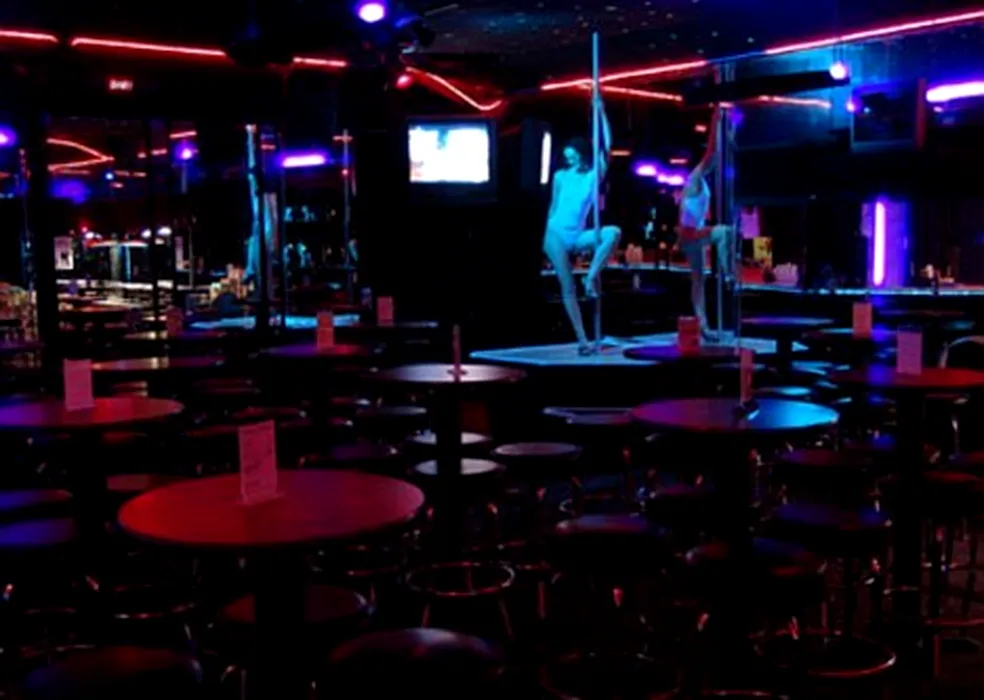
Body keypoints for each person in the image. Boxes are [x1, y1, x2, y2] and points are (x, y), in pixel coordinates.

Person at [543, 93, 621, 355]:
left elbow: (607, 146)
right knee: (567, 286)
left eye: (574, 156)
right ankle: (582, 340)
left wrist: (601, 111)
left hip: (576, 234)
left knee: (613, 233)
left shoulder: (593, 176)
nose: (570, 161)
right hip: (554, 233)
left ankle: (590, 276)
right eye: (567, 158)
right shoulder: (560, 176)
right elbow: (553, 206)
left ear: (582, 155)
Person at [676, 104, 737, 339]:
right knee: (724, 232)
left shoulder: (699, 181)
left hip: (692, 232)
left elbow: (716, 155)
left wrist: (727, 130)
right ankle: (727, 273)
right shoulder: (695, 177)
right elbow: (712, 152)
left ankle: (702, 323)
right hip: (690, 232)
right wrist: (716, 119)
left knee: (698, 279)